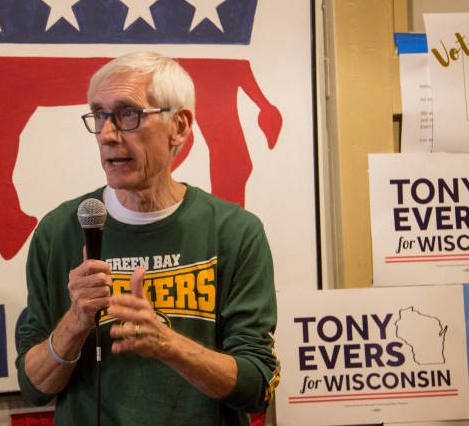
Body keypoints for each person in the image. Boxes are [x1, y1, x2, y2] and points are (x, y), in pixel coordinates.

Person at [16, 51, 279, 425]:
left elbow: (257, 387)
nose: (107, 134)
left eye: (127, 114)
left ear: (179, 127)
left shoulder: (234, 232)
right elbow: (34, 386)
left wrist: (168, 346)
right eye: (100, 115)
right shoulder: (59, 230)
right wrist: (76, 320)